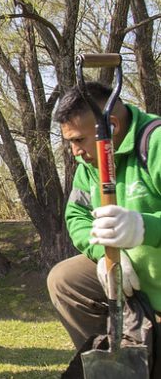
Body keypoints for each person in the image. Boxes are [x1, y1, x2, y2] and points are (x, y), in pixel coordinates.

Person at [48, 82, 161, 349]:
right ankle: (118, 358)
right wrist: (103, 255)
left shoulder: (155, 143)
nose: (74, 151)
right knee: (65, 281)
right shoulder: (88, 164)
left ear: (111, 125)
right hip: (129, 282)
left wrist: (146, 227)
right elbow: (76, 214)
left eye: (78, 140)